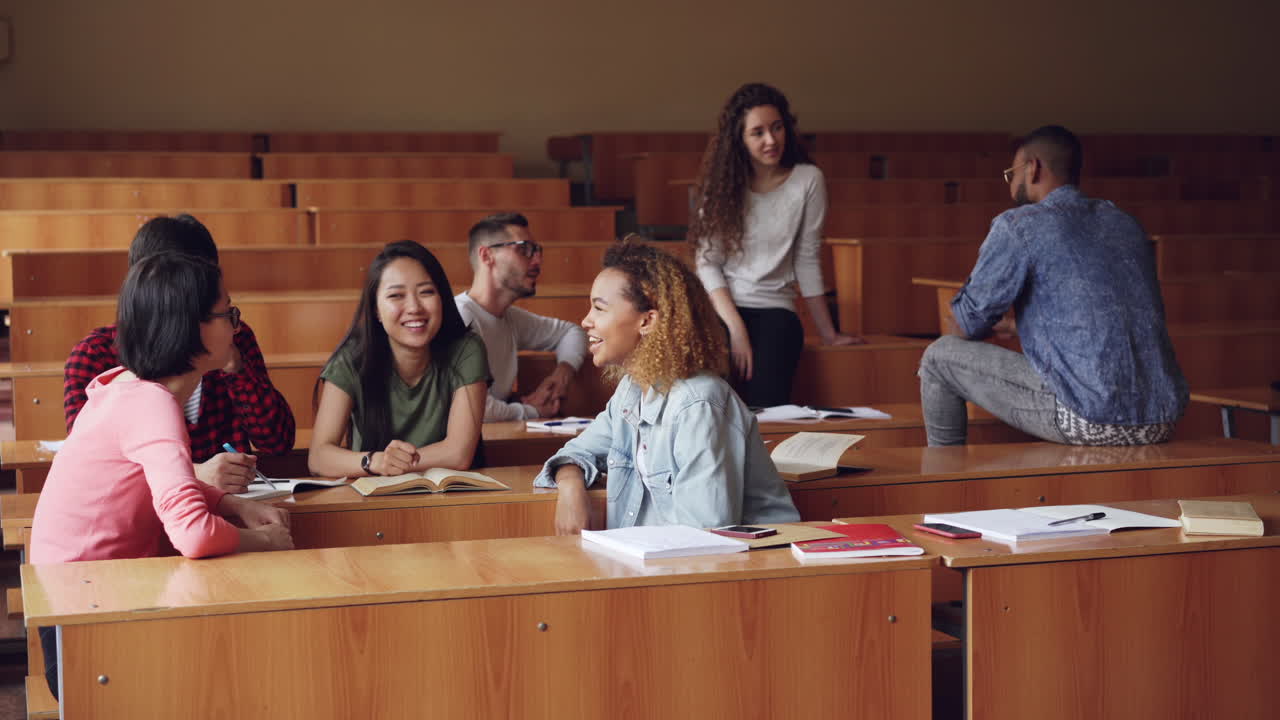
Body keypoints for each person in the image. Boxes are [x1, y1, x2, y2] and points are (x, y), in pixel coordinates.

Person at [31, 252, 295, 699]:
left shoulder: (130, 387)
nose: (236, 326)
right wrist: (266, 541)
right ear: (189, 327)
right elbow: (192, 535)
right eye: (227, 314)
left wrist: (232, 505)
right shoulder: (152, 406)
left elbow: (155, 485)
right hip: (82, 622)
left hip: (87, 597)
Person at [918, 125, 1188, 446]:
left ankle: (948, 482)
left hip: (1089, 417)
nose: (1010, 184)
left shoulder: (1020, 224)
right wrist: (1021, 327)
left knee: (939, 357)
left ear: (1033, 168)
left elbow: (966, 324)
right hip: (1160, 420)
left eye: (1011, 173)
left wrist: (968, 327)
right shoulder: (1123, 222)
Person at [535, 241, 800, 533]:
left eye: (599, 308)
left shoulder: (697, 403)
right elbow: (576, 451)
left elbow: (705, 535)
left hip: (736, 568)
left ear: (647, 321)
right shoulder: (631, 390)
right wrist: (571, 487)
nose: (586, 321)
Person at [63, 214, 296, 493]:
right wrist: (192, 474)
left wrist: (236, 368)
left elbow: (277, 441)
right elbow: (92, 469)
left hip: (226, 504)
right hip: (142, 510)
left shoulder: (229, 333)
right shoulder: (95, 355)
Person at [690, 82, 861, 408]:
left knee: (767, 408)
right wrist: (736, 329)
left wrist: (829, 333)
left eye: (777, 127)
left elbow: (807, 258)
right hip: (721, 310)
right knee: (707, 403)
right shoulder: (722, 187)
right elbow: (707, 262)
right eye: (758, 132)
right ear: (740, 139)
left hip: (775, 311)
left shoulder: (808, 180)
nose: (771, 140)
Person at [308, 240, 488, 477]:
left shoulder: (466, 350)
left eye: (426, 292)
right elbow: (319, 457)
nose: (414, 307)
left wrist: (395, 463)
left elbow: (458, 454)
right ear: (375, 310)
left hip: (452, 498)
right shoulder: (351, 360)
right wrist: (376, 461)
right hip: (374, 499)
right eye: (396, 296)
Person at [455, 213, 588, 421]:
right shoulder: (461, 317)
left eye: (536, 250)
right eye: (524, 249)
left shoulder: (510, 318)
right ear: (486, 256)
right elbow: (474, 408)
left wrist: (562, 373)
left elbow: (572, 332)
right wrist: (534, 412)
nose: (537, 260)